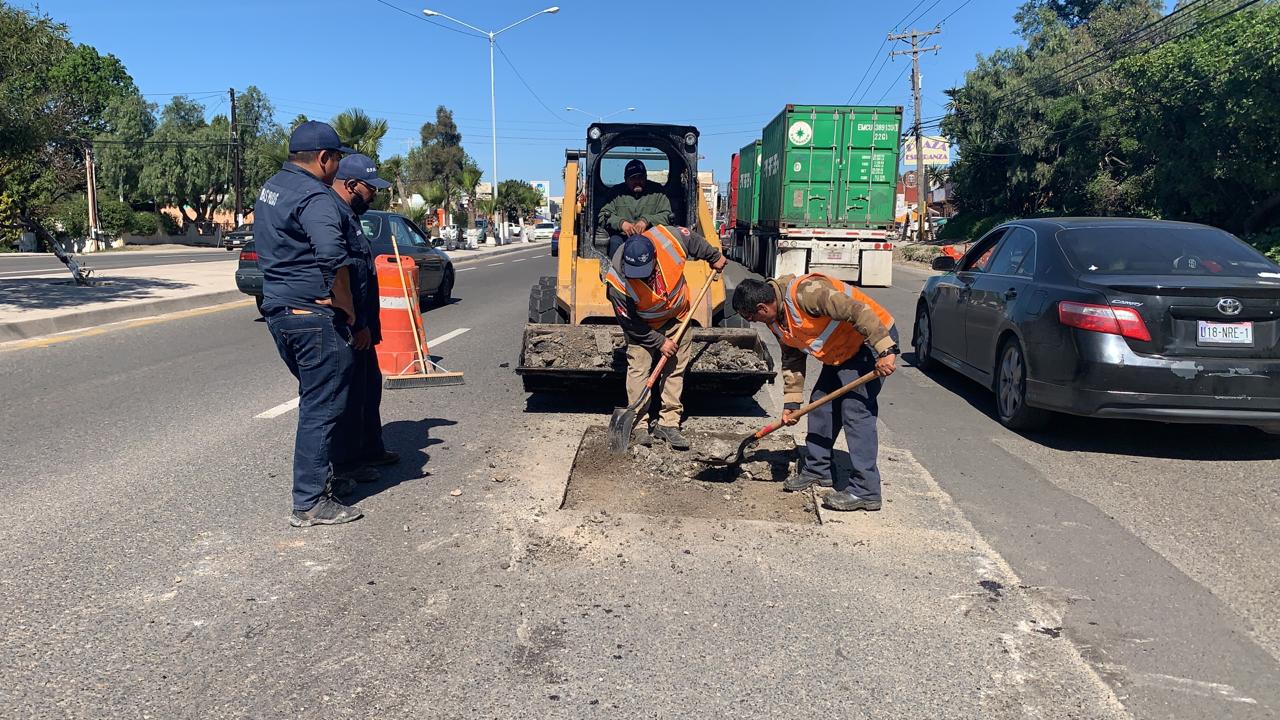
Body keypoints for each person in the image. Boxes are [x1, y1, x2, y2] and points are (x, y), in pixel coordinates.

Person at [255, 120, 362, 528]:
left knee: (316, 396)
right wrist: (347, 307)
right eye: (337, 158)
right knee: (322, 406)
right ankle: (311, 502)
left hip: (280, 311)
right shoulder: (315, 196)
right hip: (313, 316)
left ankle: (324, 480)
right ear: (323, 158)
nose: (338, 166)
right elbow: (334, 255)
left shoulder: (272, 188)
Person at [732, 274, 900, 512]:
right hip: (840, 353)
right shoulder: (776, 318)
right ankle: (818, 470)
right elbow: (792, 357)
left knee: (855, 411)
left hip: (871, 341)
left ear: (762, 307)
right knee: (820, 404)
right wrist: (791, 402)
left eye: (752, 317)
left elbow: (857, 310)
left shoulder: (807, 293)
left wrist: (886, 349)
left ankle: (866, 490)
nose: (755, 322)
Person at [604, 224, 727, 450]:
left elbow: (693, 241)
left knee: (675, 368)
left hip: (678, 316)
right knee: (639, 368)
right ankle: (639, 424)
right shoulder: (617, 283)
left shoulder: (667, 239)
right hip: (641, 326)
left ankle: (668, 423)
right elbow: (629, 324)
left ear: (654, 257)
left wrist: (714, 256)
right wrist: (661, 342)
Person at [327, 154, 399, 494]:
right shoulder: (333, 215)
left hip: (364, 324)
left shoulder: (350, 215)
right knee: (349, 397)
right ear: (352, 185)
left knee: (369, 388)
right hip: (350, 326)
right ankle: (345, 465)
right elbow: (340, 275)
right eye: (371, 189)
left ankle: (369, 451)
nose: (375, 196)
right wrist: (356, 324)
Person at [598, 159, 672, 257]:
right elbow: (603, 215)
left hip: (650, 236)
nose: (637, 181)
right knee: (614, 241)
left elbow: (667, 214)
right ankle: (614, 271)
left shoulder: (658, 192)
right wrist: (621, 223)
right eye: (633, 178)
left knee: (665, 243)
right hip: (623, 237)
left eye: (640, 177)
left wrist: (646, 221)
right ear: (625, 179)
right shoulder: (615, 193)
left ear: (646, 177)